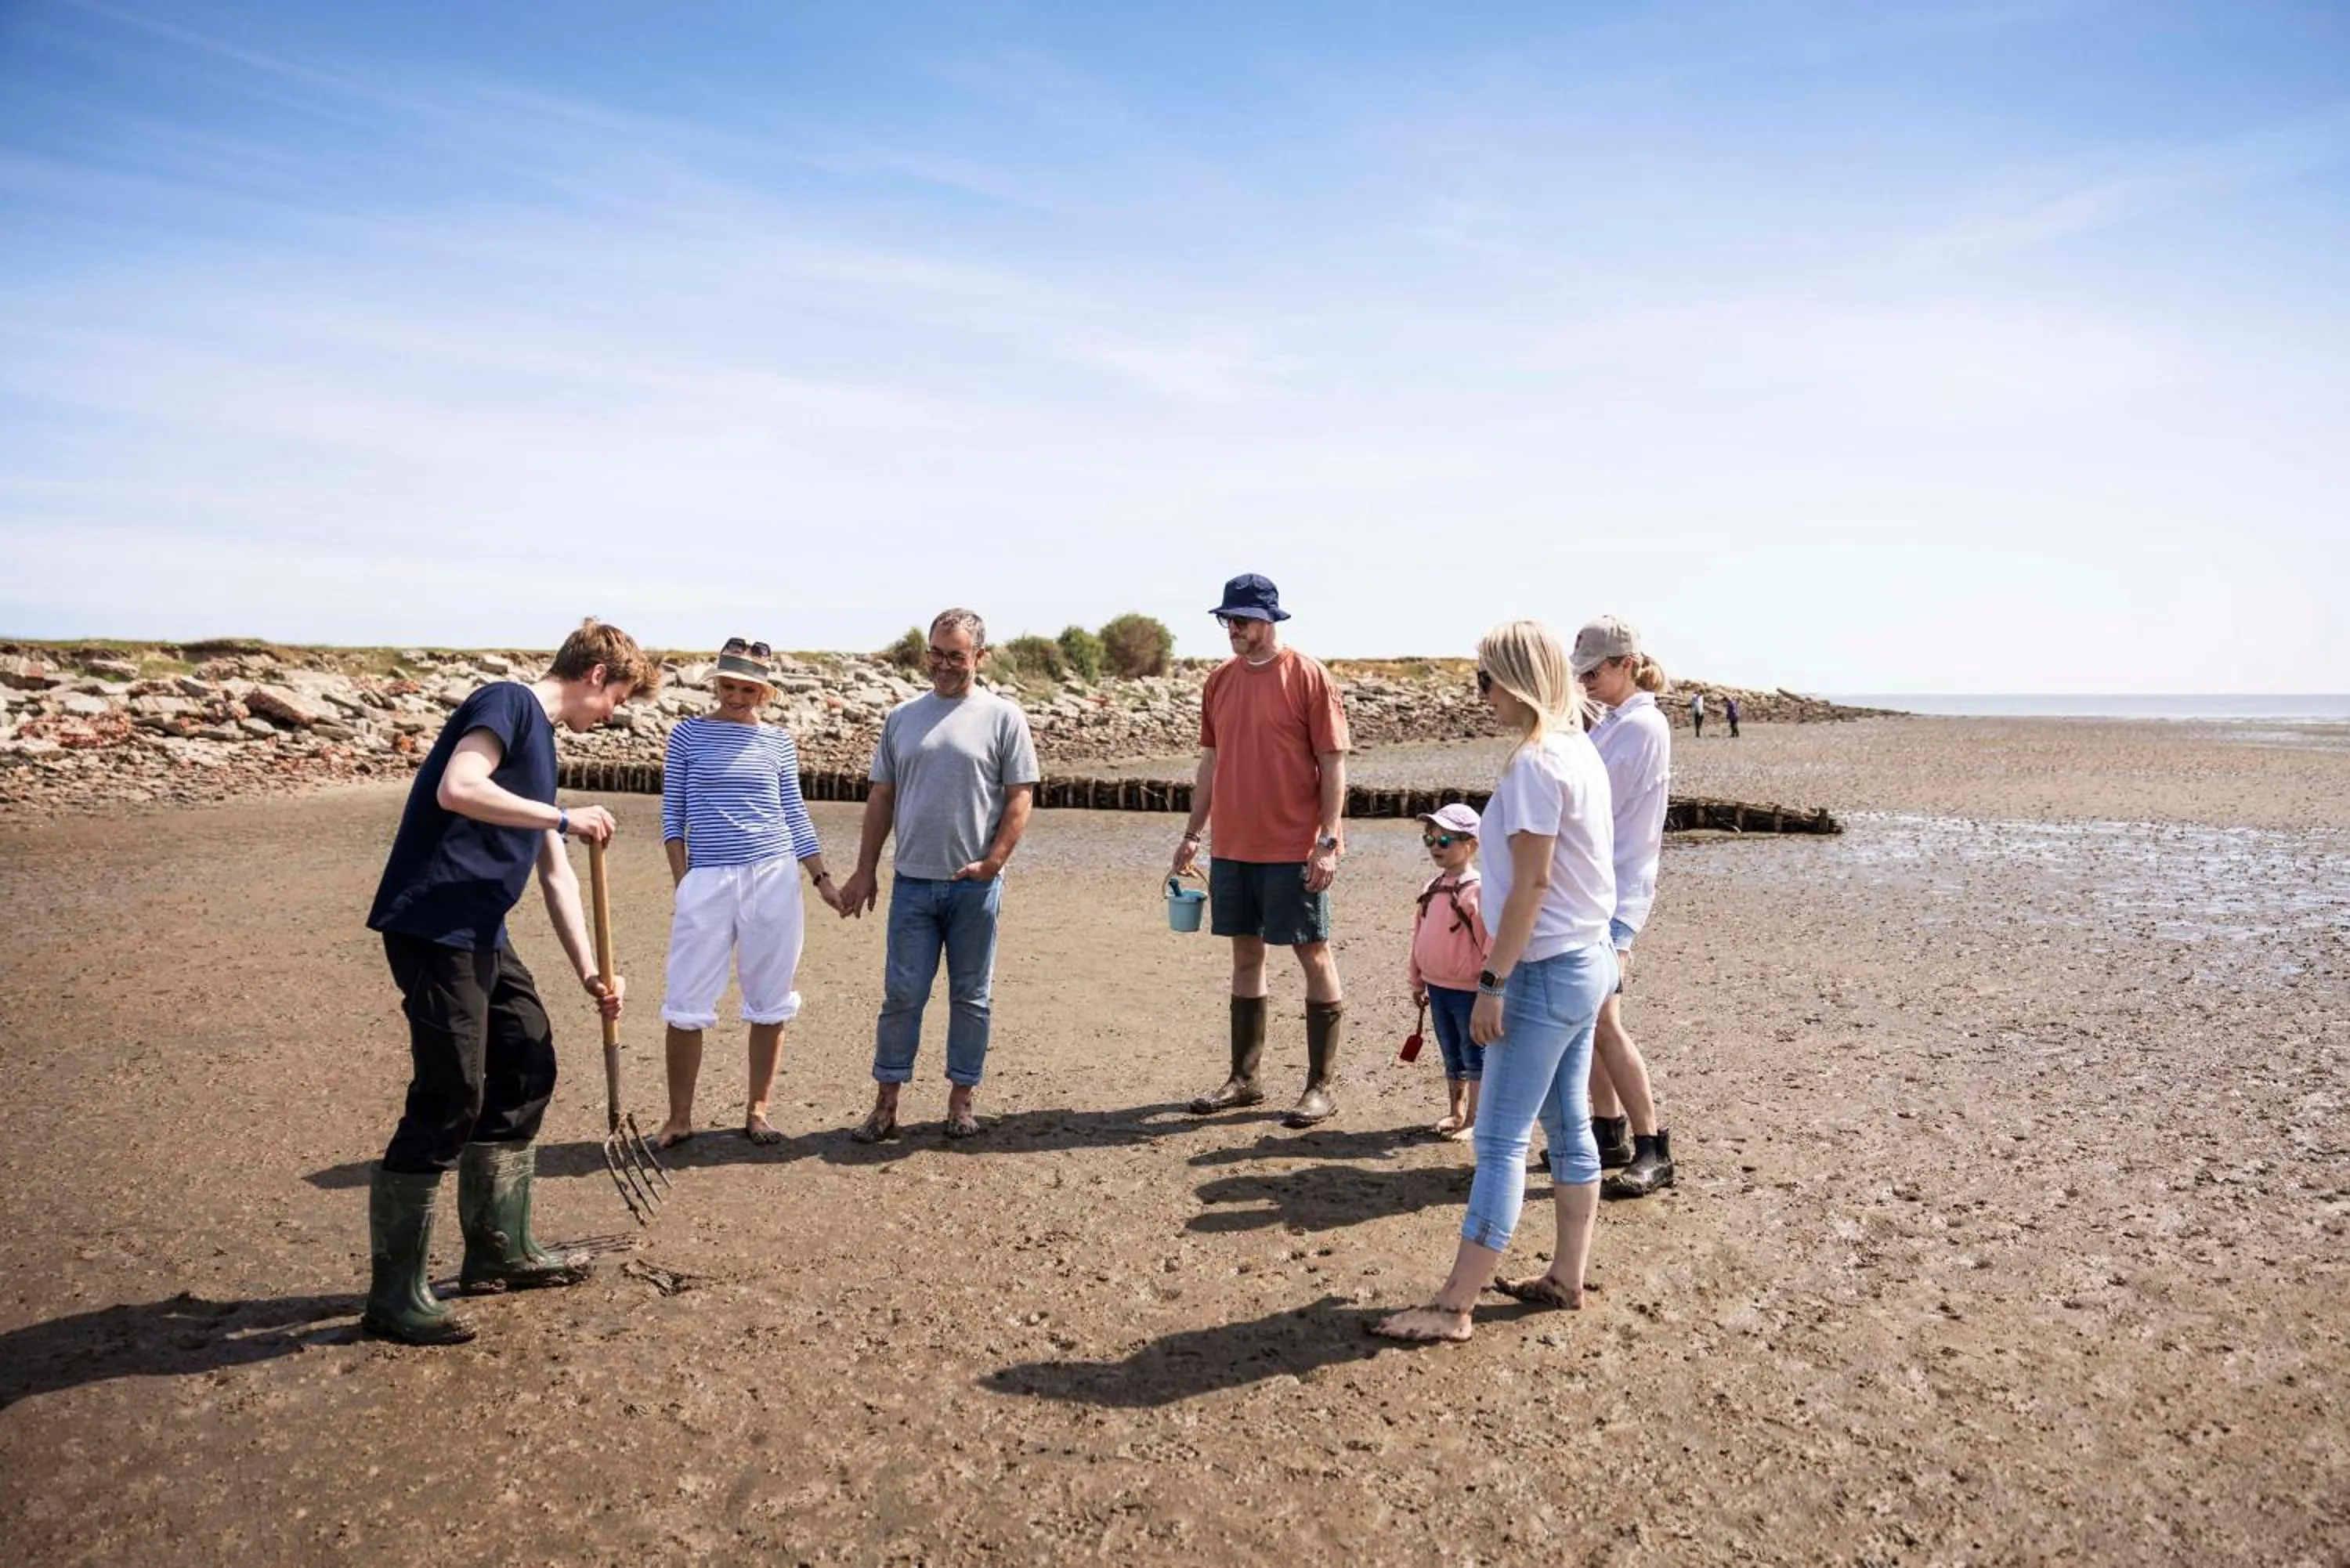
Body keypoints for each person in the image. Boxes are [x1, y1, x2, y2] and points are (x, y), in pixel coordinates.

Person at [360, 618, 660, 1346]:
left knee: (527, 1058)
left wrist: (590, 970)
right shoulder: (508, 702)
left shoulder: (543, 743)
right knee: (450, 1094)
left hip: (481, 931)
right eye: (616, 699)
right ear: (596, 677)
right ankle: (393, 1295)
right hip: (433, 923)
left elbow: (551, 867)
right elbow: (460, 789)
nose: (611, 715)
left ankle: (499, 1250)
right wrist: (563, 814)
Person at [1372, 620, 1616, 1345]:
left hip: (1544, 970)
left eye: (1483, 680)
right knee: (1570, 1127)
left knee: (1502, 1140)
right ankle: (1566, 1276)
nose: (1479, 695)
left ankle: (1454, 1305)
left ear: (1515, 679)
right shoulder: (1579, 751)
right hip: (1586, 960)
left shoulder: (1539, 762)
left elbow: (1533, 884)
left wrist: (1493, 981)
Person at [837, 609, 1039, 1140]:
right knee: (901, 996)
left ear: (979, 657)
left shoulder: (1003, 717)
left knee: (971, 997)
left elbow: (1021, 796)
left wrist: (995, 862)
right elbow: (882, 796)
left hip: (975, 885)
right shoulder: (902, 718)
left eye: (956, 654)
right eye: (936, 653)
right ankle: (885, 1105)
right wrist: (865, 870)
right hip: (911, 884)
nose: (944, 665)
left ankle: (961, 1102)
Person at [1173, 573, 1351, 1129]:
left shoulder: (1308, 676)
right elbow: (1210, 762)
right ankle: (1244, 1079)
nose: (1234, 629)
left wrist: (1327, 840)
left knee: (1312, 954)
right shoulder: (1219, 681)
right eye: (1228, 619)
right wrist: (1191, 834)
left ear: (1270, 621)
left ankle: (1320, 1087)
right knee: (1246, 957)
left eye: (1244, 620)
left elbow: (1333, 763)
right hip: (1234, 847)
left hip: (1294, 849)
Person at [649, 637, 839, 1151]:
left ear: (765, 692)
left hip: (774, 877)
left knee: (770, 999)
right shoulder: (687, 735)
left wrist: (822, 879)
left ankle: (758, 1112)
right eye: (729, 686)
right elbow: (673, 818)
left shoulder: (778, 743)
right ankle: (679, 1118)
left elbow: (795, 815)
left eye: (748, 689)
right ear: (716, 685)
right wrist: (684, 882)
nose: (737, 697)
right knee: (685, 998)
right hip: (706, 880)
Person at [1572, 616, 1676, 1198]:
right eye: (1580, 670)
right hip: (1595, 889)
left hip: (1614, 893)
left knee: (1606, 1021)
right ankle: (1607, 1132)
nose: (1584, 680)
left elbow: (1593, 803)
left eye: (1594, 671)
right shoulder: (1613, 721)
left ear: (1626, 665)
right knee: (1589, 1020)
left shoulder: (1643, 727)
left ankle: (1652, 1144)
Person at [1408, 802, 1490, 1142]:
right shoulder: (1432, 886)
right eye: (1430, 839)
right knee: (1450, 1051)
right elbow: (1418, 934)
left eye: (1444, 841)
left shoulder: (1478, 891)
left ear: (1470, 844)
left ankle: (1475, 1118)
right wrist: (1416, 978)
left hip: (1470, 990)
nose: (1435, 847)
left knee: (1476, 1056)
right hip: (1437, 986)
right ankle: (1456, 1112)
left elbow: (1490, 944)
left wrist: (1490, 990)